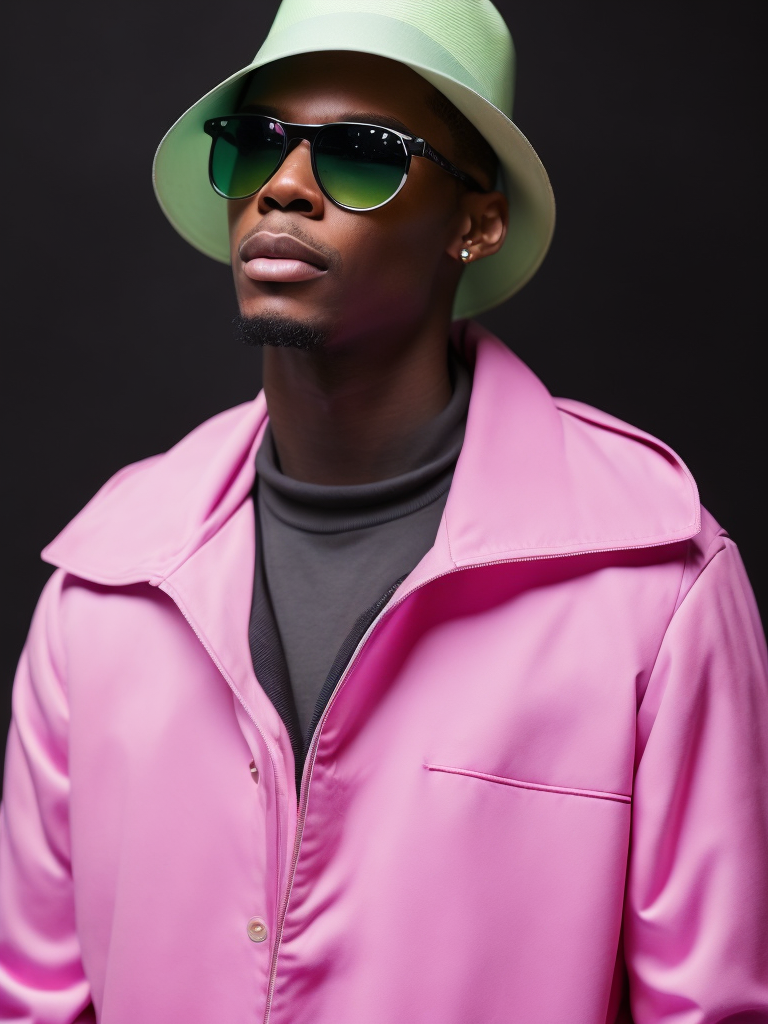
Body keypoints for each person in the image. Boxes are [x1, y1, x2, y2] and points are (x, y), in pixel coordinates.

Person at [1, 0, 766, 1020]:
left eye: (361, 153)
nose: (285, 186)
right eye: (258, 143)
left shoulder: (658, 589)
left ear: (476, 221)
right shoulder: (100, 591)